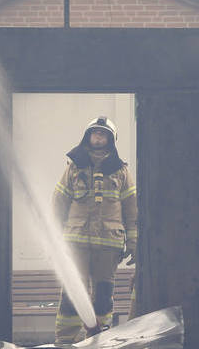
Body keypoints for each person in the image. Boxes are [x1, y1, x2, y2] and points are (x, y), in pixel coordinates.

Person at [52, 116, 137, 344]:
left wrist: (134, 243)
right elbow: (58, 203)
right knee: (72, 293)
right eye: (94, 133)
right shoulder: (73, 168)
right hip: (75, 242)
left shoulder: (121, 171)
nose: (98, 137)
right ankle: (65, 341)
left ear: (110, 139)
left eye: (103, 134)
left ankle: (100, 341)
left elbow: (132, 210)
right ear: (87, 136)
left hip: (108, 245)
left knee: (103, 295)